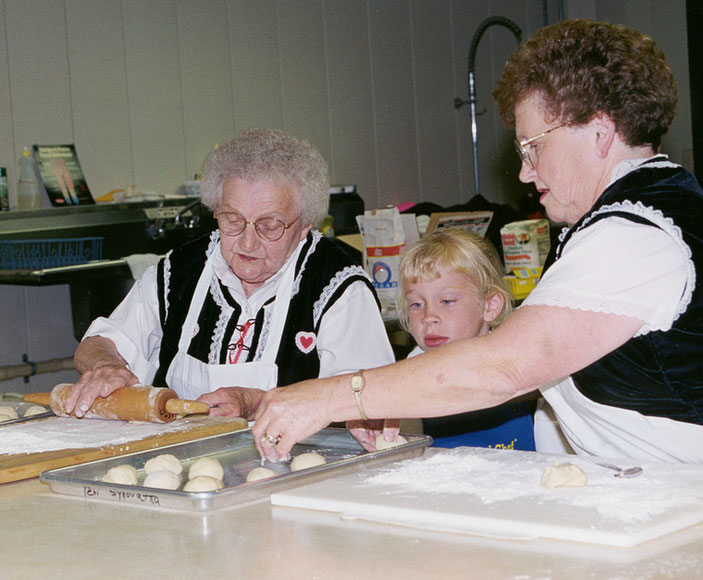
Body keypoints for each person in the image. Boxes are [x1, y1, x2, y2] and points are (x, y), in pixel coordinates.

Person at [252, 19, 703, 464]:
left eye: (533, 147)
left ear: (600, 133)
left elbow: (505, 367)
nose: (525, 172)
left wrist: (330, 397)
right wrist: (393, 395)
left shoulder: (633, 236)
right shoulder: (627, 218)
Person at [66, 128, 395, 420]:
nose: (248, 242)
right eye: (232, 220)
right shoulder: (181, 270)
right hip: (182, 465)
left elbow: (368, 399)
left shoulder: (337, 284)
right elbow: (100, 343)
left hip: (298, 470)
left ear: (305, 225)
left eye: (270, 225)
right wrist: (106, 368)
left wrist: (257, 403)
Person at [398, 229, 534, 450]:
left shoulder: (520, 362)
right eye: (416, 304)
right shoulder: (410, 372)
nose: (428, 317)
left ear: (489, 306)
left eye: (447, 301)